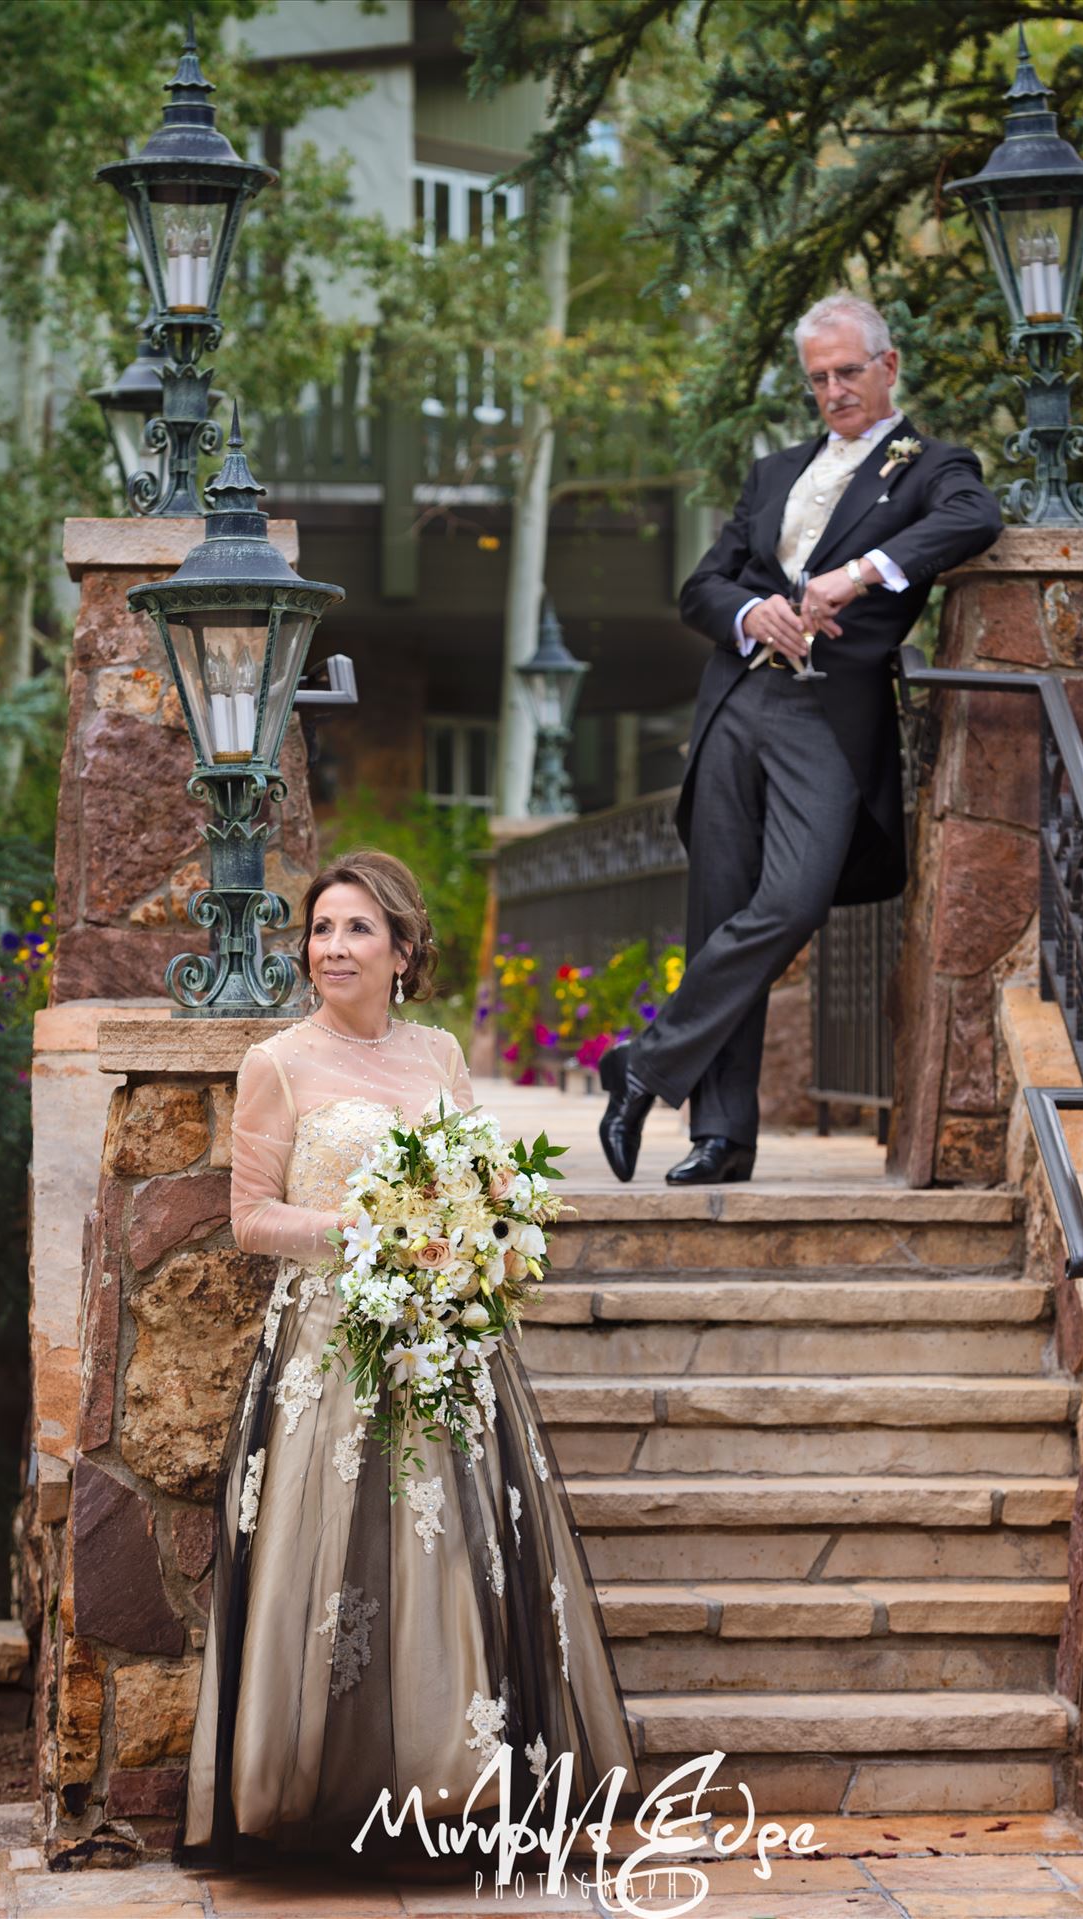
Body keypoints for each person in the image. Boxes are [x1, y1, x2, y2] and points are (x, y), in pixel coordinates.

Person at [183, 851, 638, 1862]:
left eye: (355, 928)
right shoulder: (278, 1062)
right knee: (335, 1562)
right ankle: (328, 1788)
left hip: (443, 1338)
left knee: (447, 1557)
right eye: (320, 929)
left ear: (402, 949)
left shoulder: (437, 1055)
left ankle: (456, 1782)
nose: (332, 946)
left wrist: (478, 1240)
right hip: (332, 1348)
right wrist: (367, 1234)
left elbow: (473, 1185)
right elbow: (249, 1217)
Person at [600, 292, 1004, 1186]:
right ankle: (722, 1136)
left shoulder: (931, 464)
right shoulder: (773, 472)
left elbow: (975, 519)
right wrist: (752, 611)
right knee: (719, 910)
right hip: (738, 699)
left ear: (887, 367)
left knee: (790, 900)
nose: (832, 390)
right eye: (818, 377)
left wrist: (861, 574)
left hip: (831, 715)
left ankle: (644, 1065)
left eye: (847, 372)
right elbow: (700, 588)